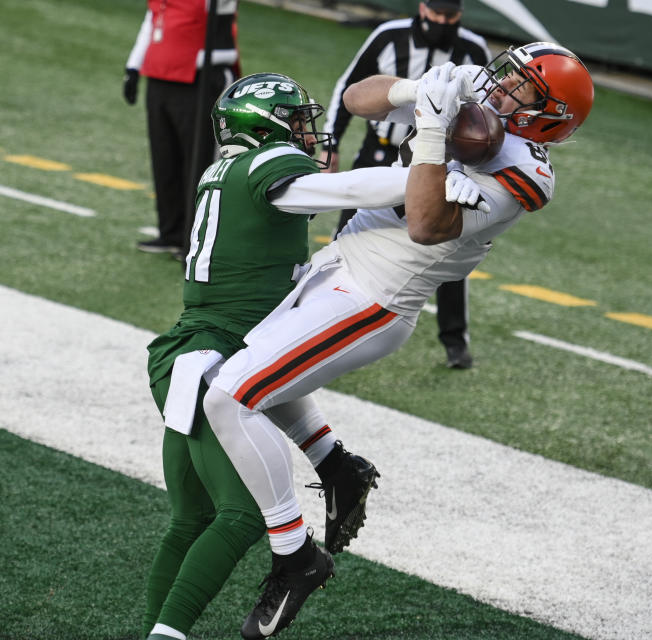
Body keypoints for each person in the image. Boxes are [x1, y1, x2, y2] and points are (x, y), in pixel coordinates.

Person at [203, 42, 595, 636]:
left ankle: (294, 555)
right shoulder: (472, 104)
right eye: (506, 73)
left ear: (548, 115)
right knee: (254, 376)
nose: (500, 84)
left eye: (521, 86)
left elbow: (424, 222)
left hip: (375, 296)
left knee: (227, 397)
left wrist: (434, 140)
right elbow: (361, 99)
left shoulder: (528, 171)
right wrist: (419, 92)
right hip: (339, 265)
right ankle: (339, 469)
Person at [139, 72, 488, 640]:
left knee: (189, 520)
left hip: (199, 351)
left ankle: (335, 467)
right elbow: (345, 192)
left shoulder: (228, 170)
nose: (309, 134)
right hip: (206, 358)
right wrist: (426, 178)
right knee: (243, 516)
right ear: (266, 130)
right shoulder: (262, 168)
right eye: (297, 122)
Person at [323, 0, 490, 369]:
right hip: (380, 152)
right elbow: (349, 87)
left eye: (450, 16)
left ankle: (454, 339)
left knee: (446, 246)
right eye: (436, 13)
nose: (441, 22)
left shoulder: (473, 48)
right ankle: (328, 316)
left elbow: (484, 111)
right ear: (422, 7)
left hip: (438, 164)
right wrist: (330, 143)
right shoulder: (389, 35)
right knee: (348, 236)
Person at [123, 0, 239, 258]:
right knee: (165, 160)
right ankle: (172, 233)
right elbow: (152, 19)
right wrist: (134, 65)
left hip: (200, 78)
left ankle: (198, 241)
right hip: (160, 76)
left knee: (200, 164)